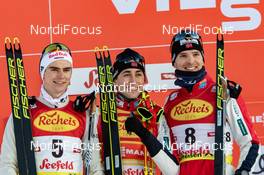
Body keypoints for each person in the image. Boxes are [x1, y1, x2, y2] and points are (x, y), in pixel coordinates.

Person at [127, 30, 260, 175]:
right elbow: (170, 163)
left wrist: (244, 171)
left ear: (203, 58)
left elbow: (250, 142)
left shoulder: (223, 92)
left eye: (196, 54)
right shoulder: (171, 101)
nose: (191, 61)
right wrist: (143, 134)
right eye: (183, 56)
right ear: (174, 61)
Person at [0, 43, 104, 175]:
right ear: (43, 73)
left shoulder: (83, 113)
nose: (61, 76)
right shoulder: (24, 111)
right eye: (54, 69)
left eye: (66, 70)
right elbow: (7, 163)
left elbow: (94, 166)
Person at [98, 48, 177, 174]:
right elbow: (93, 166)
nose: (133, 81)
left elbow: (172, 170)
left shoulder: (156, 114)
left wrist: (145, 135)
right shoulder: (100, 114)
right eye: (127, 74)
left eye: (138, 74)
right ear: (115, 79)